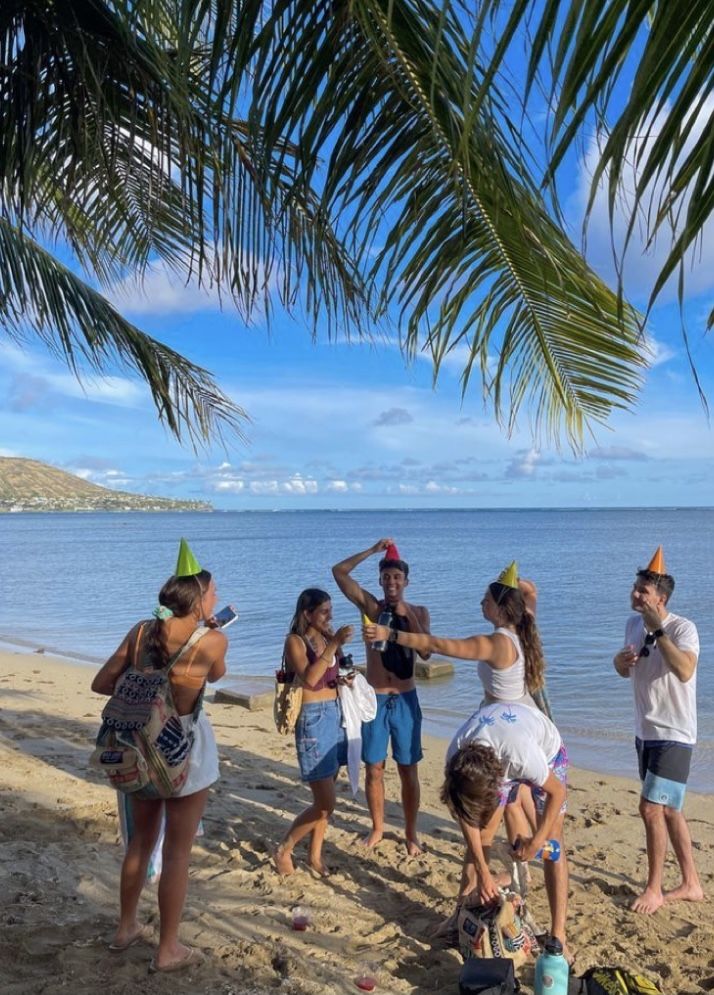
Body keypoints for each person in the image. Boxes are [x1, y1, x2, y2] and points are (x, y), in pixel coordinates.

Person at [91, 538, 227, 973]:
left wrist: (143, 687)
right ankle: (168, 949)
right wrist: (210, 627)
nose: (218, 598)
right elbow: (217, 676)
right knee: (177, 853)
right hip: (183, 748)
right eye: (213, 592)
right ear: (199, 599)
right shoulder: (213, 640)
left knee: (139, 843)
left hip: (137, 745)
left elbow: (101, 682)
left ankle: (125, 927)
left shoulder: (140, 631)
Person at [363, 561, 548, 850]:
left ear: (500, 608)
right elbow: (531, 591)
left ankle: (494, 863)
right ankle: (533, 850)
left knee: (493, 801)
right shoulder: (524, 625)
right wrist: (508, 587)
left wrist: (393, 635)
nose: (480, 603)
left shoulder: (494, 643)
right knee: (516, 796)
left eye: (486, 600)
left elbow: (437, 645)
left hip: (504, 724)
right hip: (527, 718)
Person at [613, 545, 703, 915]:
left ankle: (653, 888)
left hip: (675, 734)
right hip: (646, 732)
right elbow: (625, 670)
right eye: (635, 588)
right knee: (669, 812)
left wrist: (659, 631)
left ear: (660, 599)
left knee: (650, 809)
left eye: (642, 591)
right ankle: (692, 883)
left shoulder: (684, 628)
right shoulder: (632, 624)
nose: (635, 595)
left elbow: (685, 670)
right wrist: (618, 662)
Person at [442, 702, 570, 958]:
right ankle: (460, 913)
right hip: (493, 753)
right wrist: (482, 870)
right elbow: (468, 820)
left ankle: (559, 935)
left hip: (545, 751)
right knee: (484, 835)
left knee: (553, 845)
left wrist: (537, 841)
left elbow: (558, 792)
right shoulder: (456, 760)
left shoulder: (523, 758)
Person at [332, 539, 430, 855]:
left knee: (407, 769)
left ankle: (411, 832)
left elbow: (426, 652)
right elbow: (339, 572)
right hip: (373, 700)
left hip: (405, 699)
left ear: (406, 581)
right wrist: (372, 551)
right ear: (380, 581)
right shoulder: (372, 609)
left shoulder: (419, 612)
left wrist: (405, 614)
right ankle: (378, 828)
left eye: (396, 578)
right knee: (374, 767)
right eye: (386, 577)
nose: (391, 582)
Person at [274, 589, 354, 877]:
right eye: (323, 611)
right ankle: (284, 848)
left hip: (335, 714)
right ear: (306, 614)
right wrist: (333, 643)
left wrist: (349, 676)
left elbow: (336, 672)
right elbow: (309, 678)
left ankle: (315, 856)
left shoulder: (325, 638)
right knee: (325, 802)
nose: (330, 616)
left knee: (327, 798)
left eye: (330, 610)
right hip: (312, 719)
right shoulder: (295, 641)